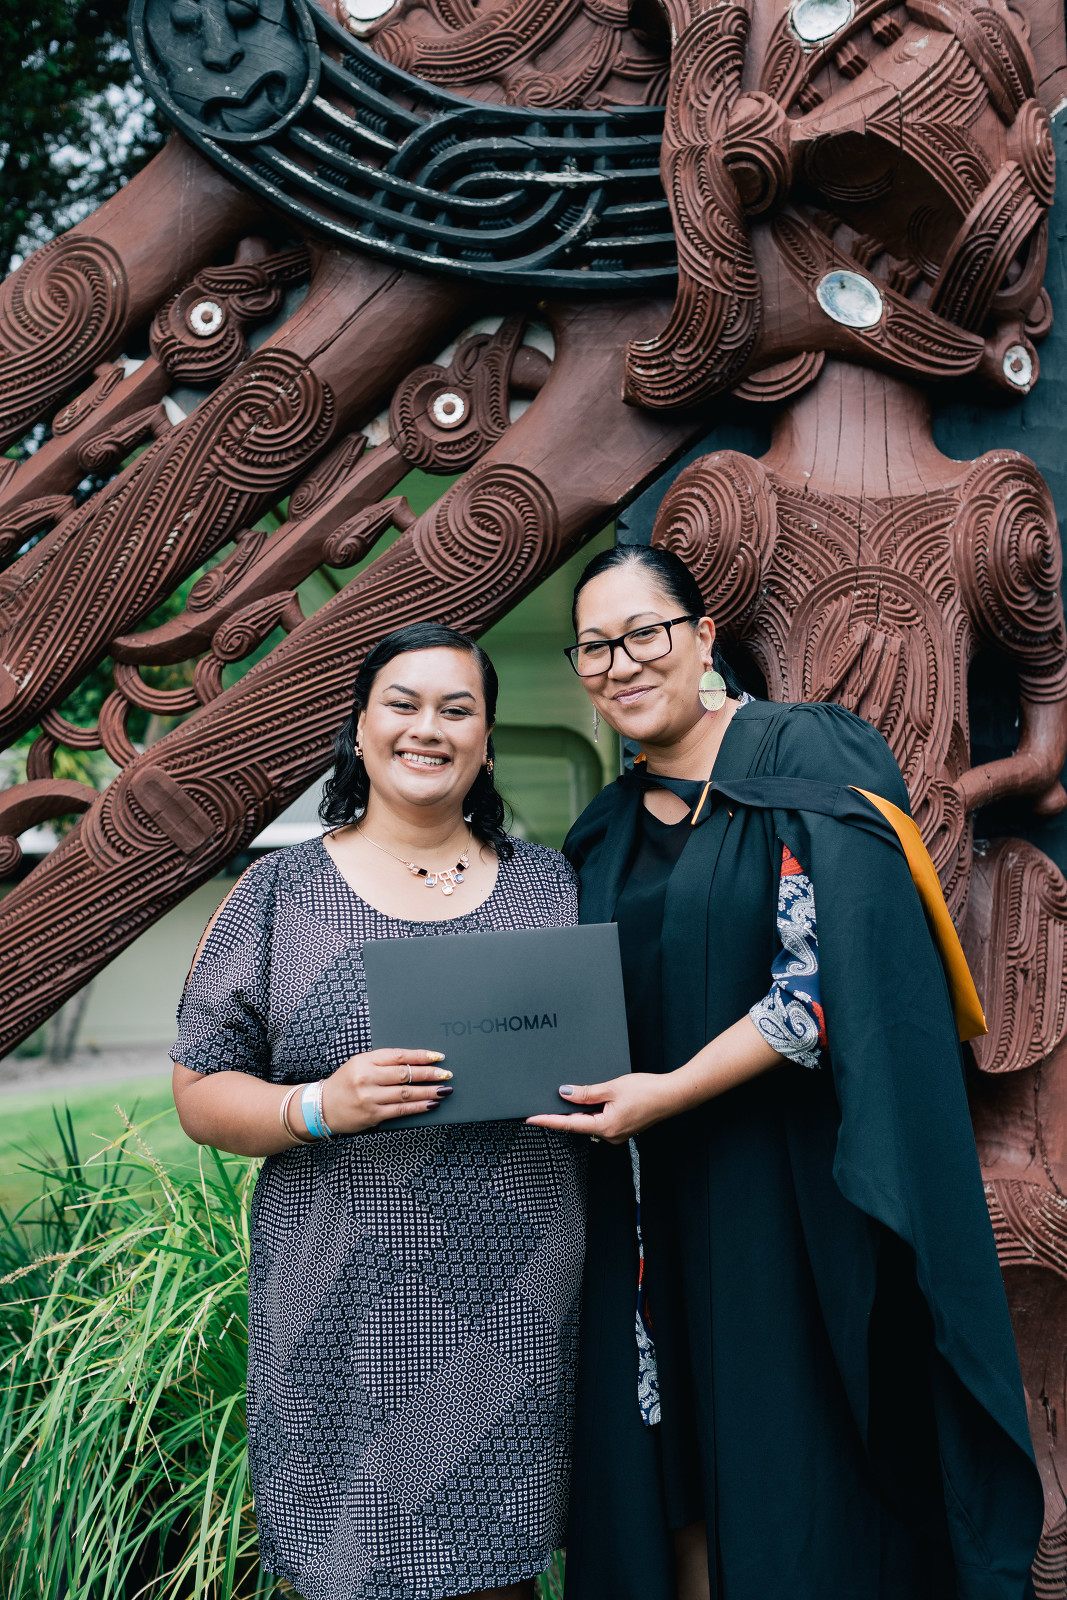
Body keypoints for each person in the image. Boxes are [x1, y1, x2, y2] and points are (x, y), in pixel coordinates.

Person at [528, 545, 1044, 1600]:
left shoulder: (806, 751)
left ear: (702, 638)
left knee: (798, 1456)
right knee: (672, 1469)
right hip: (653, 1198)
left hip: (801, 1186)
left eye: (642, 633)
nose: (619, 662)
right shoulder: (603, 832)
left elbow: (824, 986)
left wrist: (667, 1091)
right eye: (593, 647)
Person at [171, 622, 583, 1600]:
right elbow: (198, 1090)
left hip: (513, 1298)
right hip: (342, 1300)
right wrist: (319, 1104)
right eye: (401, 704)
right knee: (352, 1568)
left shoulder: (551, 887)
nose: (426, 728)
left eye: (456, 709)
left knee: (496, 1571)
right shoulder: (279, 893)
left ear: (486, 741)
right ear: (358, 728)